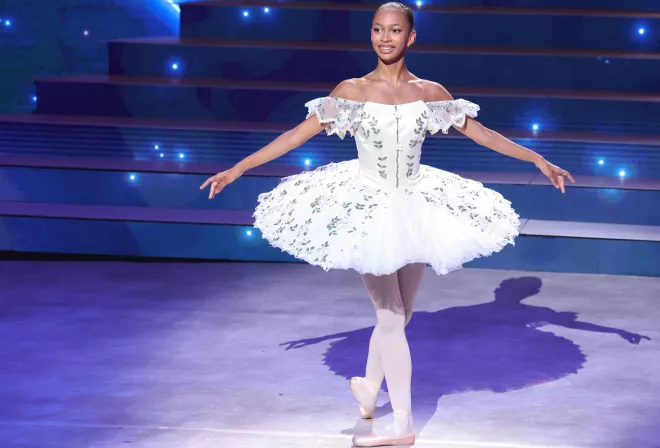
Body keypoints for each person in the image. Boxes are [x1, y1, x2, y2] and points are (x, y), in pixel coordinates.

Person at [200, 2, 574, 446]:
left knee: (403, 314)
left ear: (410, 37)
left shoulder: (429, 92)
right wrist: (238, 169)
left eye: (395, 30)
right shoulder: (351, 90)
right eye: (378, 29)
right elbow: (295, 136)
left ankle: (369, 388)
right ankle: (402, 425)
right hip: (369, 209)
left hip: (415, 206)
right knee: (391, 317)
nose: (385, 38)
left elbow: (484, 134)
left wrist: (538, 160)